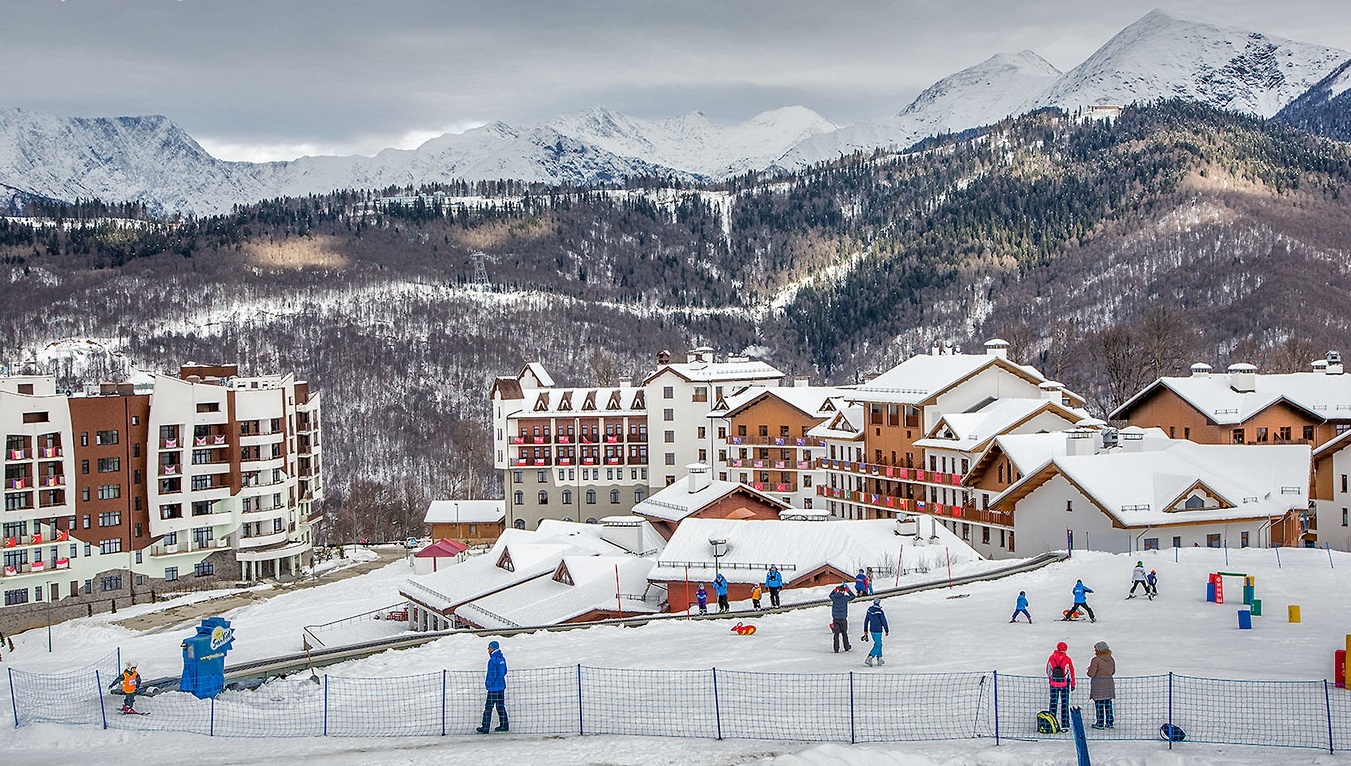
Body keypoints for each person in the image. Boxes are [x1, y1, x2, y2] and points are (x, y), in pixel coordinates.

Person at [477, 640, 508, 733]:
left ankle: (485, 727)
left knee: (488, 708)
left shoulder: (492, 661)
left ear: (492, 649)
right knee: (500, 706)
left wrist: (488, 684)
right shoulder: (502, 659)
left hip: (494, 688)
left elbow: (492, 674)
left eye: (489, 648)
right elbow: (505, 671)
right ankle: (504, 725)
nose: (488, 649)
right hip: (501, 686)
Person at [1046, 641, 1075, 731]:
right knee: (1064, 704)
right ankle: (1065, 723)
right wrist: (1072, 684)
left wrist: (1051, 679)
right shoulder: (1067, 659)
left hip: (1054, 684)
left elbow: (1048, 671)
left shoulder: (1051, 658)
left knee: (1053, 703)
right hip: (1064, 684)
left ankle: (1052, 721)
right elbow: (1071, 672)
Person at [1086, 640, 1116, 729]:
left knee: (1099, 704)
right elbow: (1113, 671)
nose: (1095, 651)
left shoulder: (1096, 660)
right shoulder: (1111, 659)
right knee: (1108, 703)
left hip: (1098, 685)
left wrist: (1088, 670)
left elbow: (1091, 674)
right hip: (1109, 684)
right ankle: (1110, 722)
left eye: (1095, 649)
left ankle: (1100, 723)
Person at [829, 581, 856, 653]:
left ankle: (836, 648)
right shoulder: (845, 598)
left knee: (836, 634)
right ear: (843, 591)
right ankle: (846, 647)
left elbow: (830, 595)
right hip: (843, 618)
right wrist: (848, 590)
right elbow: (853, 596)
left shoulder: (834, 597)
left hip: (835, 619)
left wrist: (834, 590)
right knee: (844, 633)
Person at [862, 597, 889, 666]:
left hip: (872, 629)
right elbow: (883, 621)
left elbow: (866, 620)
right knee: (878, 644)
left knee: (878, 643)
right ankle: (870, 657)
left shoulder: (869, 610)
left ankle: (879, 658)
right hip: (878, 630)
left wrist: (865, 630)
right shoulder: (880, 611)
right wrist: (886, 629)